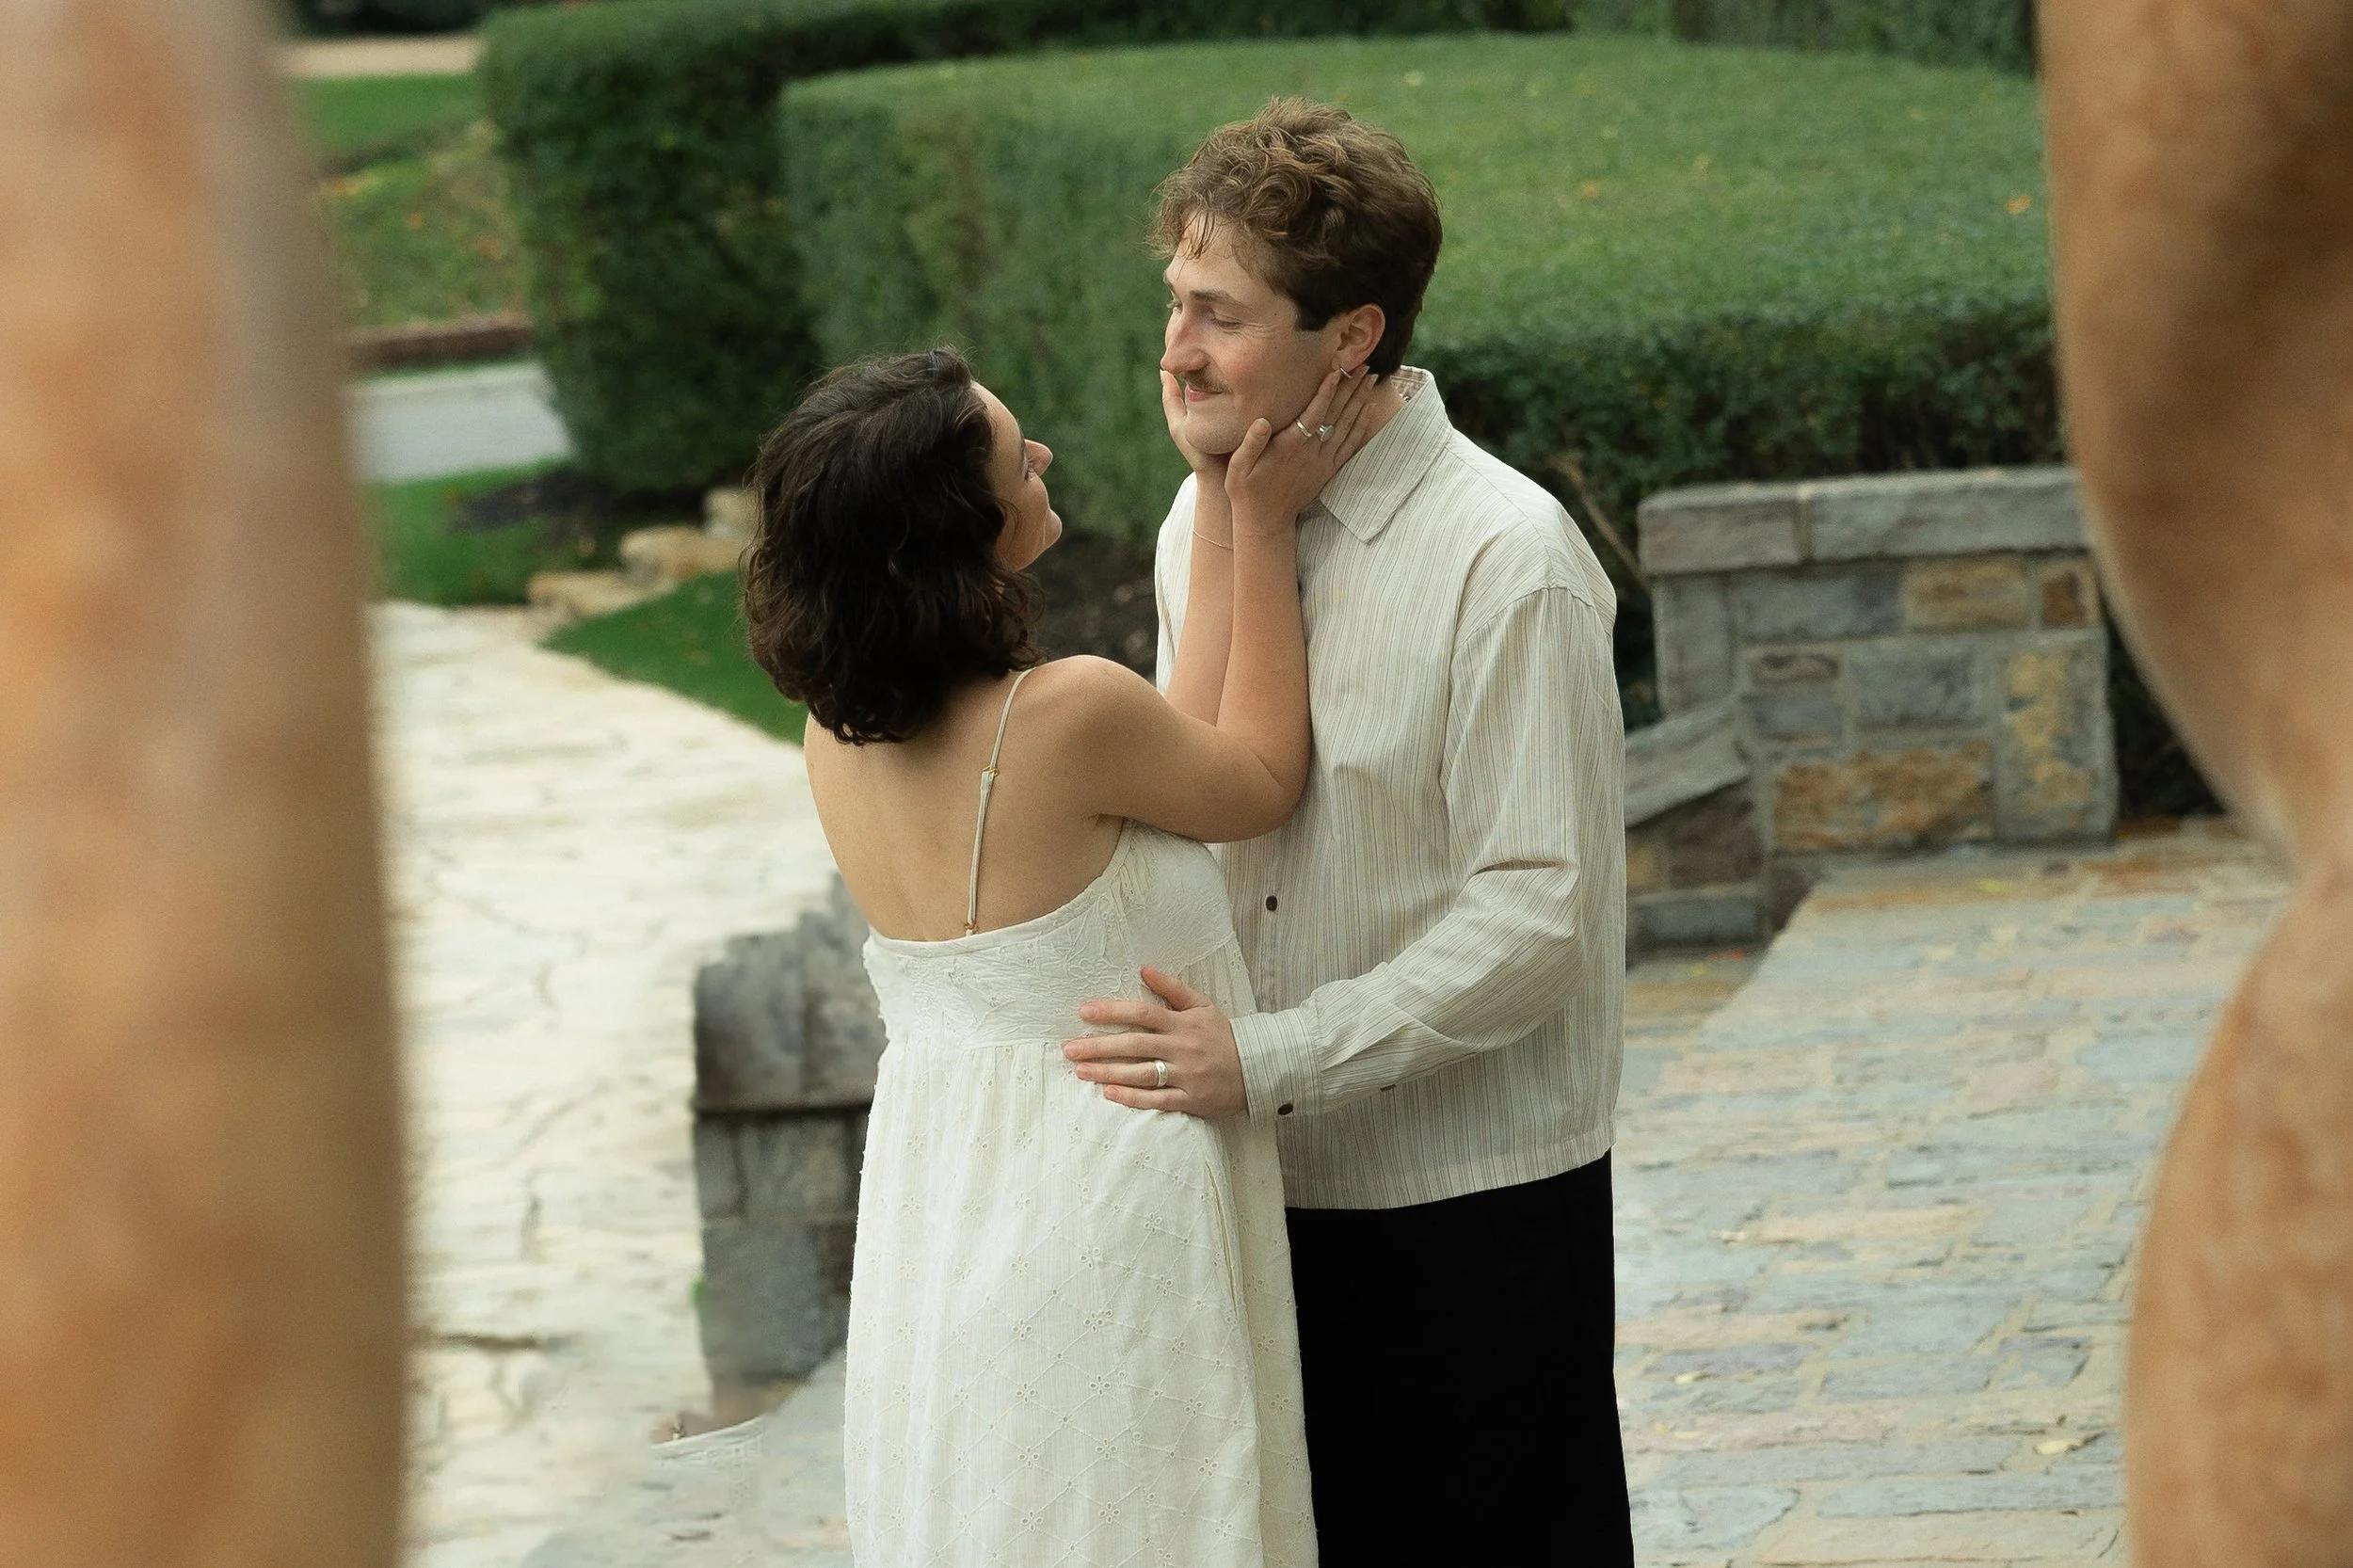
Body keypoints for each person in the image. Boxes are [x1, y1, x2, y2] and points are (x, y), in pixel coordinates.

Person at [1060, 100, 1633, 1563]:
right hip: (1253, 1198)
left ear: (1353, 336)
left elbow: (1540, 917)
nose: (1177, 350)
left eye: (1222, 316)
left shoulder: (1508, 557)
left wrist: (1270, 1057)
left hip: (1468, 1208)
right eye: (1176, 305)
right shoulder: (1200, 521)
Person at [741, 344, 1377, 1565]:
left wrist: (1219, 503)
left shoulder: (835, 735)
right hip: (1101, 1181)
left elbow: (1173, 746)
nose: (1042, 455)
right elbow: (1253, 777)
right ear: (954, 534)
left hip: (945, 1202)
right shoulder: (1068, 715)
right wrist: (1262, 525)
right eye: (1013, 458)